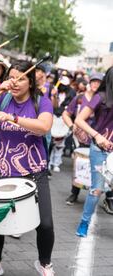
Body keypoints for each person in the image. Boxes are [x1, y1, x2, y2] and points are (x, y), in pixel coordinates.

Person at [0, 60, 55, 276]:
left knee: (45, 223)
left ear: (30, 81)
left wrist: (13, 118)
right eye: (12, 77)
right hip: (4, 168)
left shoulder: (42, 102)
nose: (16, 82)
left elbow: (44, 126)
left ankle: (44, 263)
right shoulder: (4, 98)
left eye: (21, 78)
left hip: (34, 170)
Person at [76, 68, 113, 237]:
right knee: (96, 189)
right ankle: (84, 223)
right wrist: (97, 136)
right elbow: (79, 120)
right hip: (100, 149)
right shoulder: (101, 97)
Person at [63, 73, 103, 205]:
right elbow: (66, 114)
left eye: (99, 82)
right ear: (89, 83)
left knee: (102, 167)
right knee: (80, 164)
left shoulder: (103, 99)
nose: (96, 84)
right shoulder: (80, 98)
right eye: (93, 81)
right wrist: (71, 125)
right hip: (80, 137)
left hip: (99, 137)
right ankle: (74, 193)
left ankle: (107, 198)